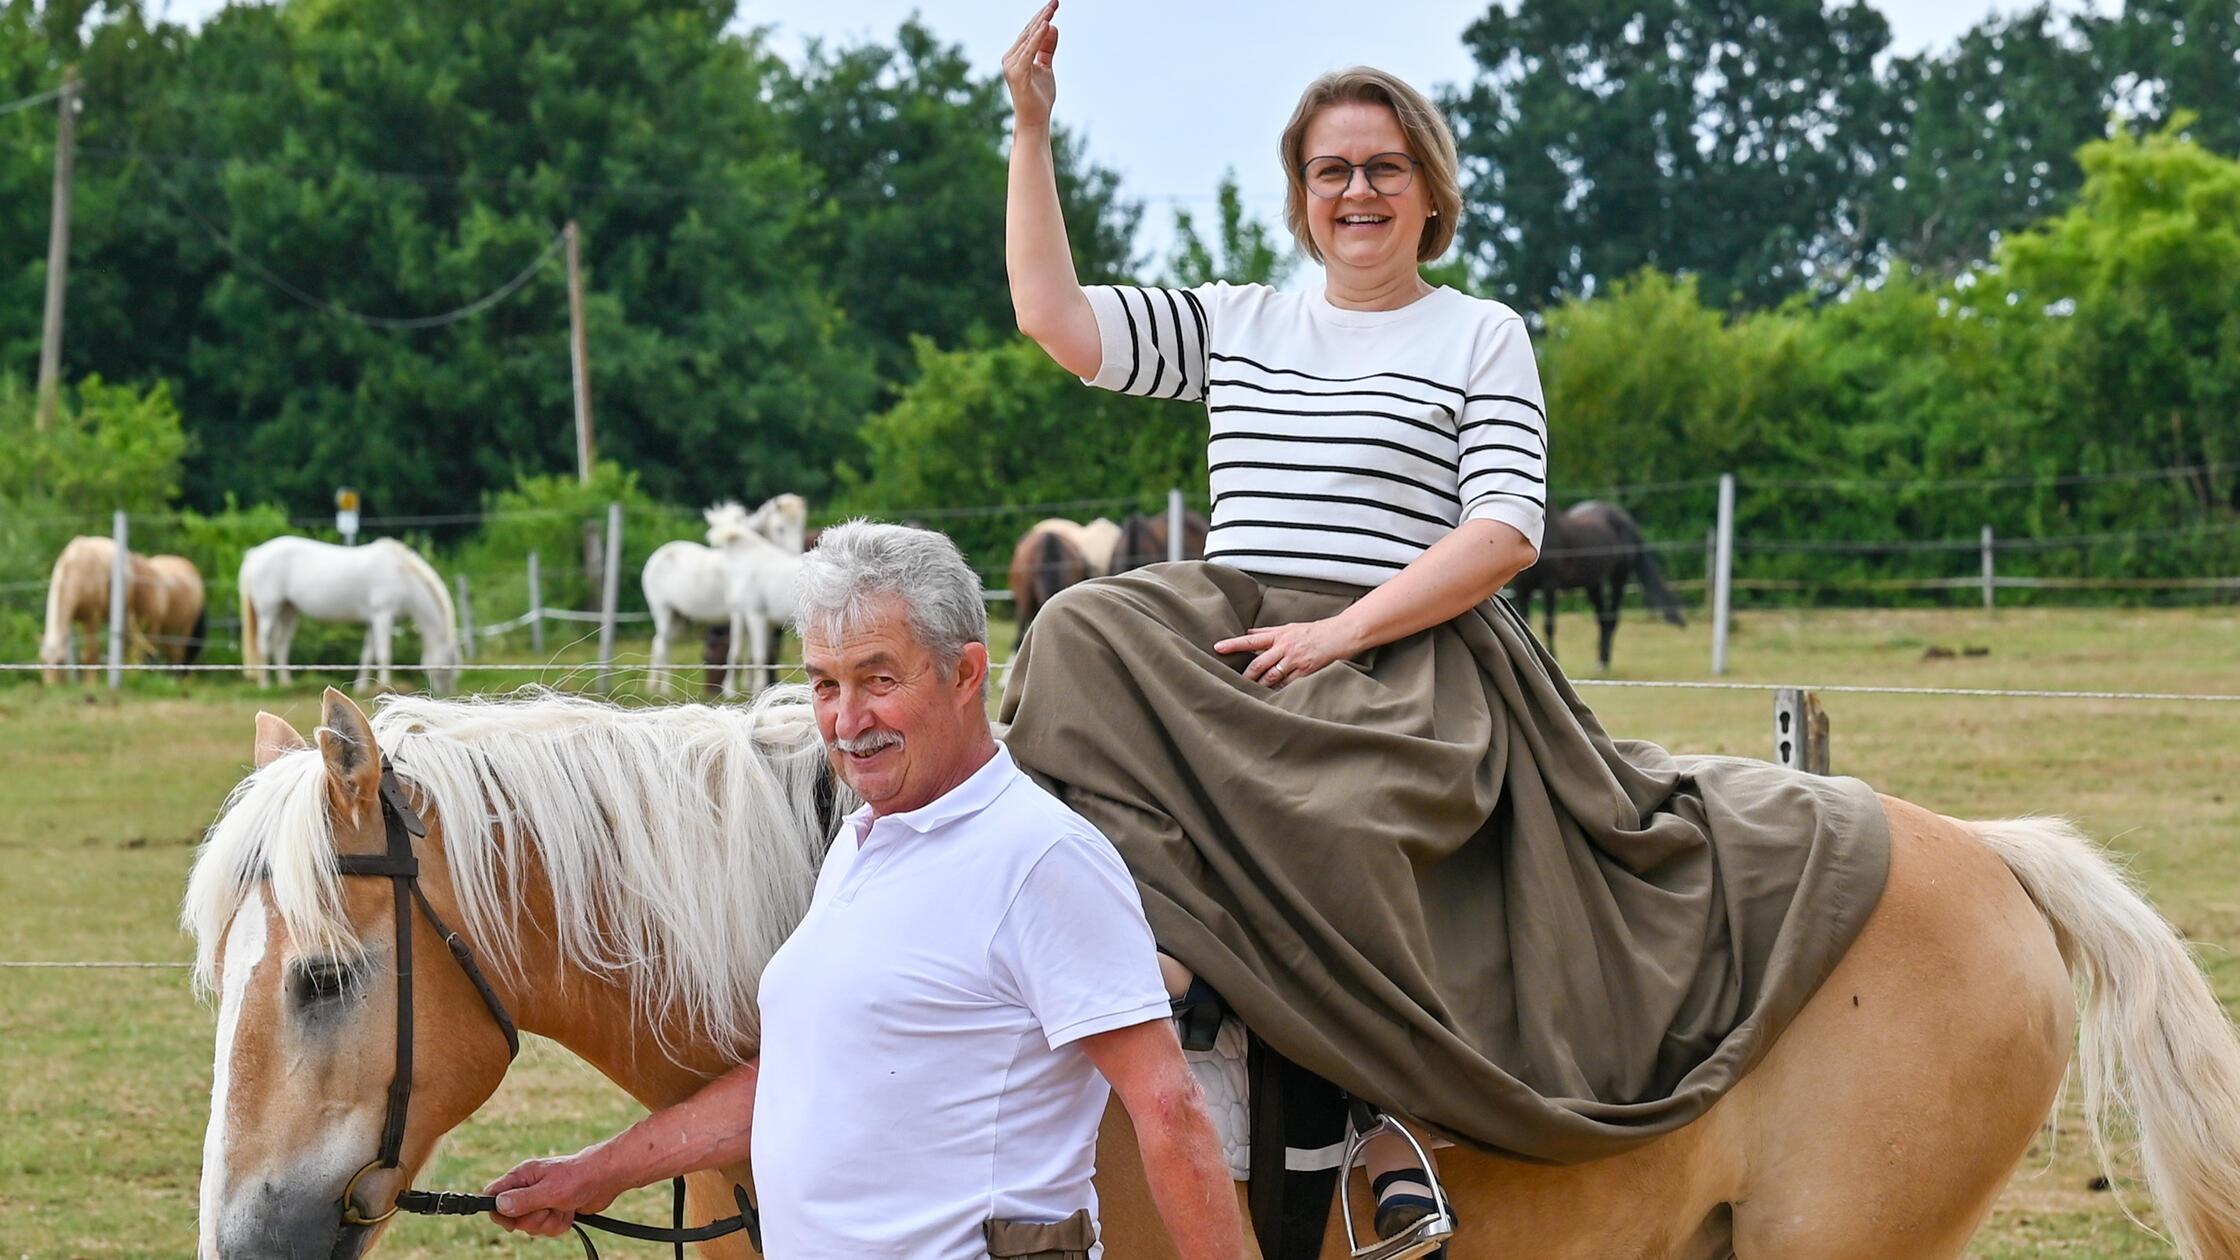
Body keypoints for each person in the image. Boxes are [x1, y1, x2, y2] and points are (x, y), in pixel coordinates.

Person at [996, 2, 1889, 1254]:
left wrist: (1341, 635)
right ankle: (1163, 975)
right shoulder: (1238, 320)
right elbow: (1056, 319)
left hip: (1402, 650)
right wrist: (1031, 131)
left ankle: (1377, 1115)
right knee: (1079, 631)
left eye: (1382, 167)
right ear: (1301, 196)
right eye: (1329, 172)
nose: (1355, 191)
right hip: (1238, 628)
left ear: (1428, 190)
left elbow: (1505, 530)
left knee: (1336, 813)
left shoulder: (1478, 332)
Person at [483, 521, 1243, 1258]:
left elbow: (1168, 1107)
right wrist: (600, 1172)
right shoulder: (862, 843)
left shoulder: (1042, 859)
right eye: (825, 684)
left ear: (966, 674)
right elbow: (802, 1079)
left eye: (879, 679)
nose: (848, 721)